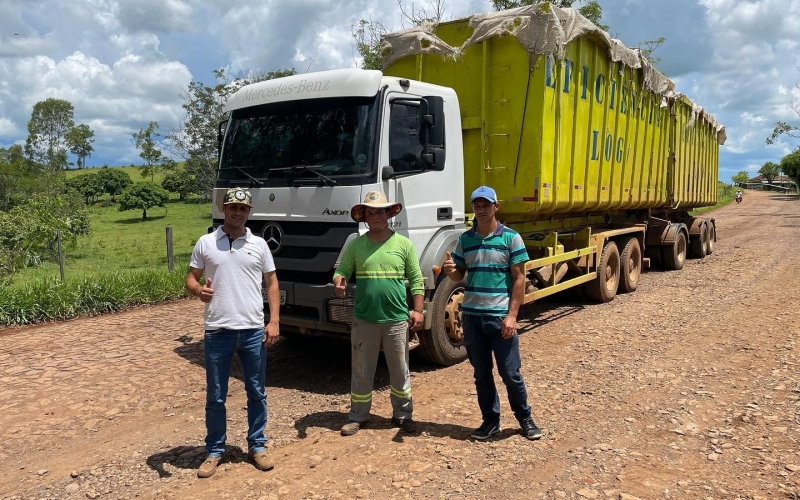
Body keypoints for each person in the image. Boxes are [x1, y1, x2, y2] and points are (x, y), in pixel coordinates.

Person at [185, 187, 281, 478]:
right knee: (216, 396)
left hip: (252, 329)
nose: (237, 213)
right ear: (223, 209)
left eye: (243, 209)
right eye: (232, 207)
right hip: (217, 331)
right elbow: (190, 278)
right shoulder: (206, 242)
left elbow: (272, 283)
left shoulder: (260, 244)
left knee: (256, 391)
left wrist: (274, 320)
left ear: (249, 212)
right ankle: (215, 450)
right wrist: (198, 290)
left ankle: (257, 446)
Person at [442, 185, 542, 441]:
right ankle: (490, 422)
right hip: (472, 318)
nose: (482, 209)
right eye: (477, 205)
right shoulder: (465, 240)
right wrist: (449, 269)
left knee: (510, 373)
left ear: (496, 207)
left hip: (500, 317)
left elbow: (519, 279)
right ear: (473, 208)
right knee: (481, 374)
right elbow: (459, 275)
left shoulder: (511, 238)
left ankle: (525, 419)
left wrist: (512, 317)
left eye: (487, 205)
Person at [333, 191, 425, 436]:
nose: (375, 216)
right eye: (370, 213)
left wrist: (418, 309)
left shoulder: (403, 244)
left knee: (400, 369)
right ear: (364, 218)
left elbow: (416, 279)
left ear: (389, 214)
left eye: (380, 212)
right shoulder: (356, 245)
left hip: (396, 319)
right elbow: (341, 270)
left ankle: (403, 415)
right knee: (362, 369)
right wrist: (339, 281)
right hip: (365, 319)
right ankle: (358, 416)